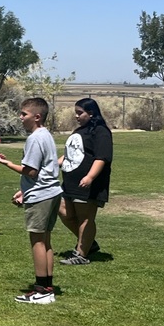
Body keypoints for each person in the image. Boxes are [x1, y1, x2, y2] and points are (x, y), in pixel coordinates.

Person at [0, 97, 62, 305]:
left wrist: (7, 164)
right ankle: (48, 288)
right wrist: (23, 191)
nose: (20, 117)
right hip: (52, 192)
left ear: (37, 116)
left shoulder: (34, 138)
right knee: (47, 241)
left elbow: (31, 171)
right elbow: (42, 171)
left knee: (37, 241)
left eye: (24, 114)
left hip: (41, 195)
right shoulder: (46, 135)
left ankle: (41, 290)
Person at [57, 98, 112, 265]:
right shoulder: (79, 131)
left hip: (88, 185)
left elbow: (101, 157)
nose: (76, 116)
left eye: (79, 112)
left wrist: (90, 177)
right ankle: (90, 243)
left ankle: (81, 254)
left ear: (91, 113)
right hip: (69, 182)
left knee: (85, 218)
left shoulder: (101, 132)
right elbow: (69, 155)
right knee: (63, 211)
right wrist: (52, 164)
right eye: (76, 112)